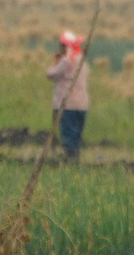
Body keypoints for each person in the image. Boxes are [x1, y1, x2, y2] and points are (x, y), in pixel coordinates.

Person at [46, 31, 91, 161]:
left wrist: (55, 62)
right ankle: (75, 159)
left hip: (67, 104)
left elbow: (50, 74)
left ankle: (71, 161)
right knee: (76, 135)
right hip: (82, 105)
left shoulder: (67, 61)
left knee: (68, 136)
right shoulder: (82, 60)